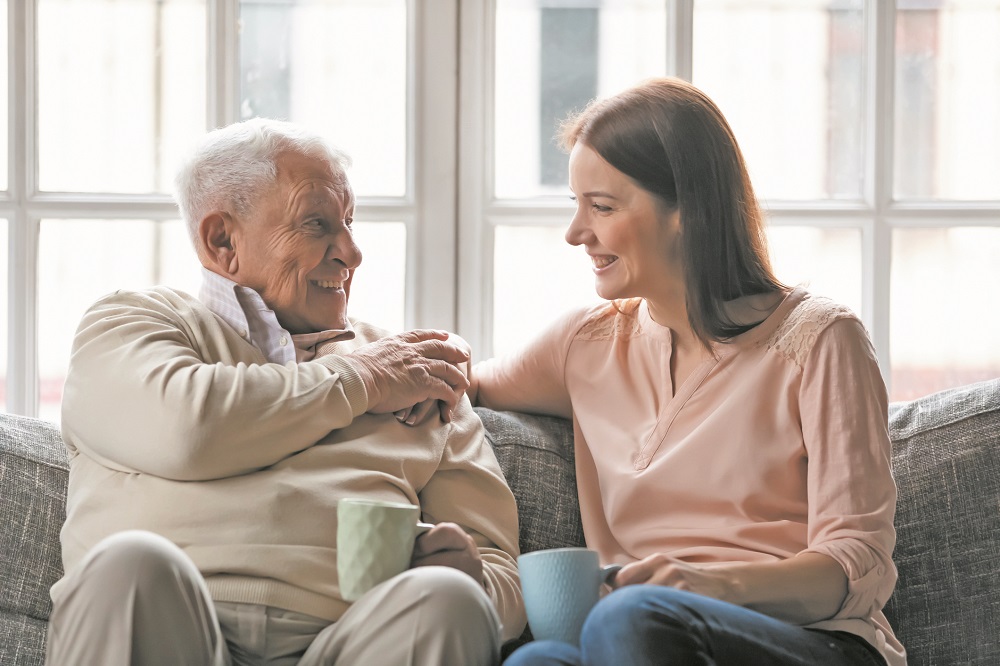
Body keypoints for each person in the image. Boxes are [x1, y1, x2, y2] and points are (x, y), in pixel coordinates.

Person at [46, 118, 525, 666]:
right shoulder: (131, 323)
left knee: (451, 599)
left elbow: (503, 577)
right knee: (126, 567)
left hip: (357, 641)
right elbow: (190, 430)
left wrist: (475, 579)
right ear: (223, 240)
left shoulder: (415, 370)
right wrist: (364, 379)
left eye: (349, 222)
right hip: (166, 629)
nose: (351, 251)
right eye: (317, 224)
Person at [471, 77, 906, 665]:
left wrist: (711, 586)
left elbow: (860, 562)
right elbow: (460, 374)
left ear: (687, 210)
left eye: (601, 207)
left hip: (812, 641)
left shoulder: (820, 341)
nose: (576, 234)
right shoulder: (586, 344)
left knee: (629, 617)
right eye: (575, 206)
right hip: (637, 637)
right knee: (536, 661)